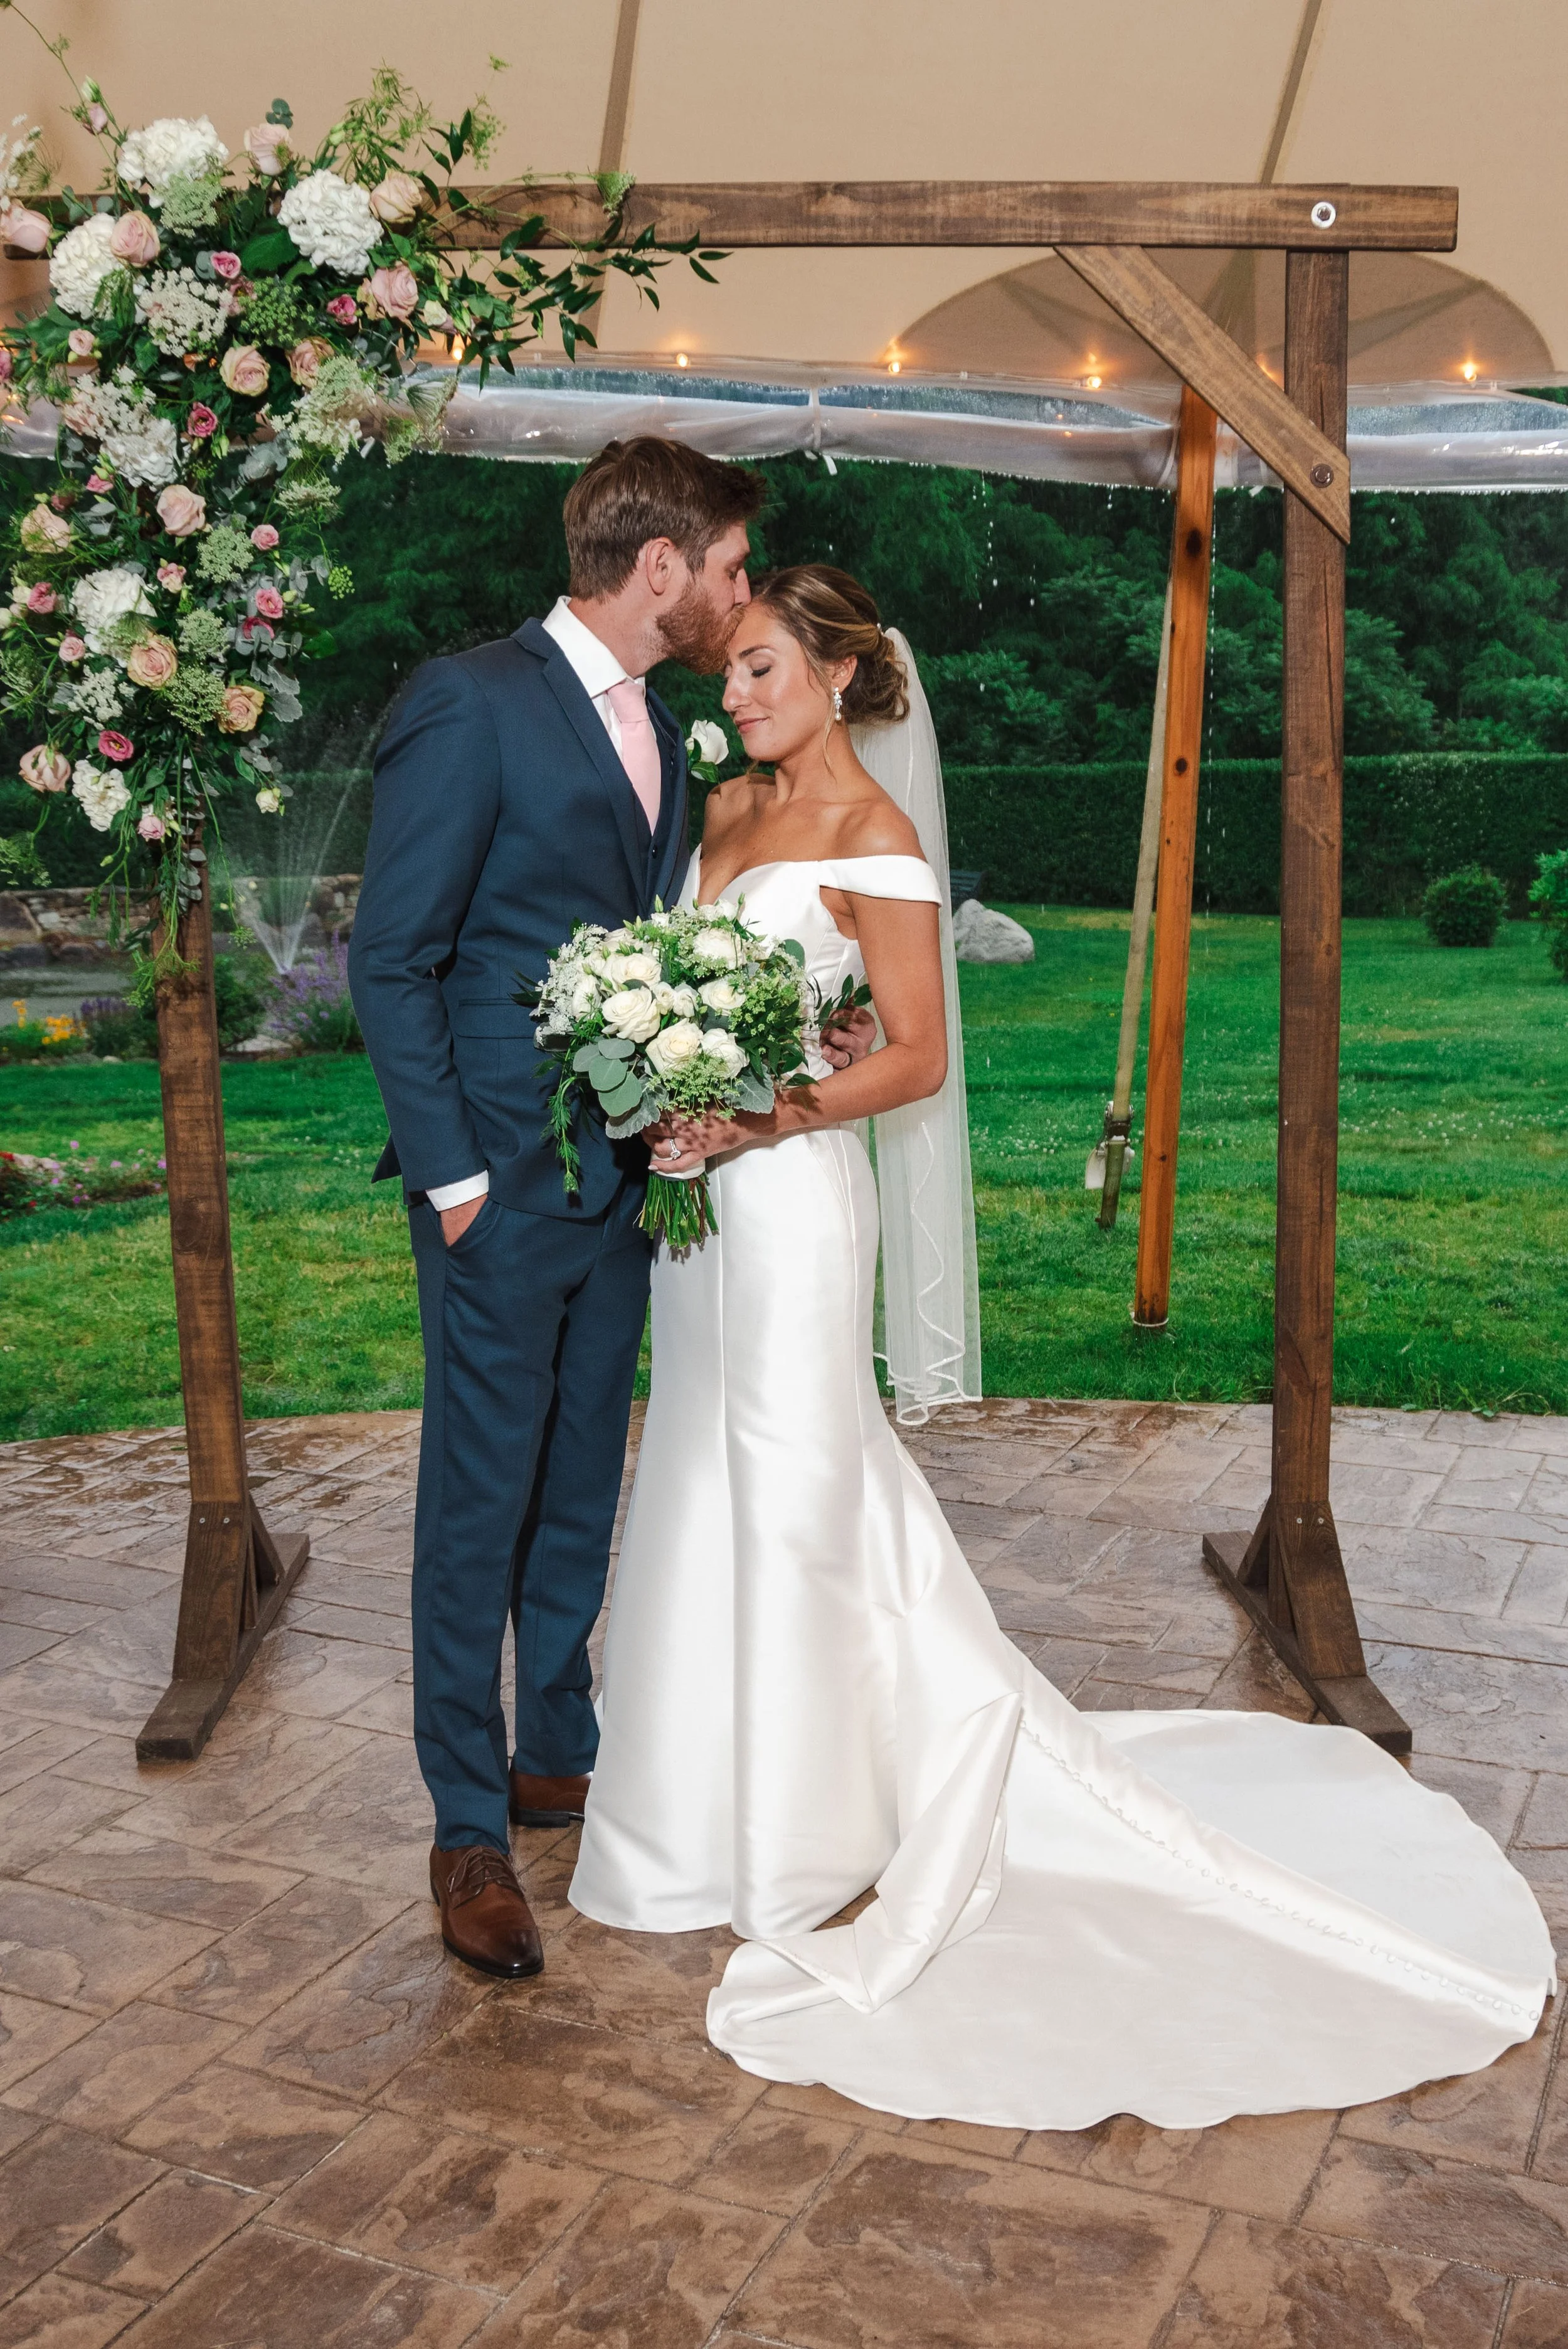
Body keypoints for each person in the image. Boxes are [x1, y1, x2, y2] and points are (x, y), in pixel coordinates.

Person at [570, 563, 1556, 2132]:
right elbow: (747, 996)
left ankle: (814, 1822)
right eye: (729, 676)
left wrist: (757, 1110)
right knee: (700, 1473)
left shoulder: (875, 845)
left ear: (837, 678)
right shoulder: (729, 824)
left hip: (796, 1207)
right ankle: (698, 1806)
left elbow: (909, 1059)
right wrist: (669, 1068)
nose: (736, 698)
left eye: (760, 670)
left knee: (802, 1484)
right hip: (704, 1222)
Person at [349, 442, 871, 1981]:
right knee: (478, 1500)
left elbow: (668, 951)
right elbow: (396, 958)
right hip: (499, 1194)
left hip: (631, 1186)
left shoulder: (661, 724)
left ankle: (552, 1747)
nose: (731, 595)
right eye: (724, 570)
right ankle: (464, 1827)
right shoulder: (471, 700)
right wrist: (454, 1179)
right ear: (661, 569)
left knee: (582, 1479)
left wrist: (786, 1041)